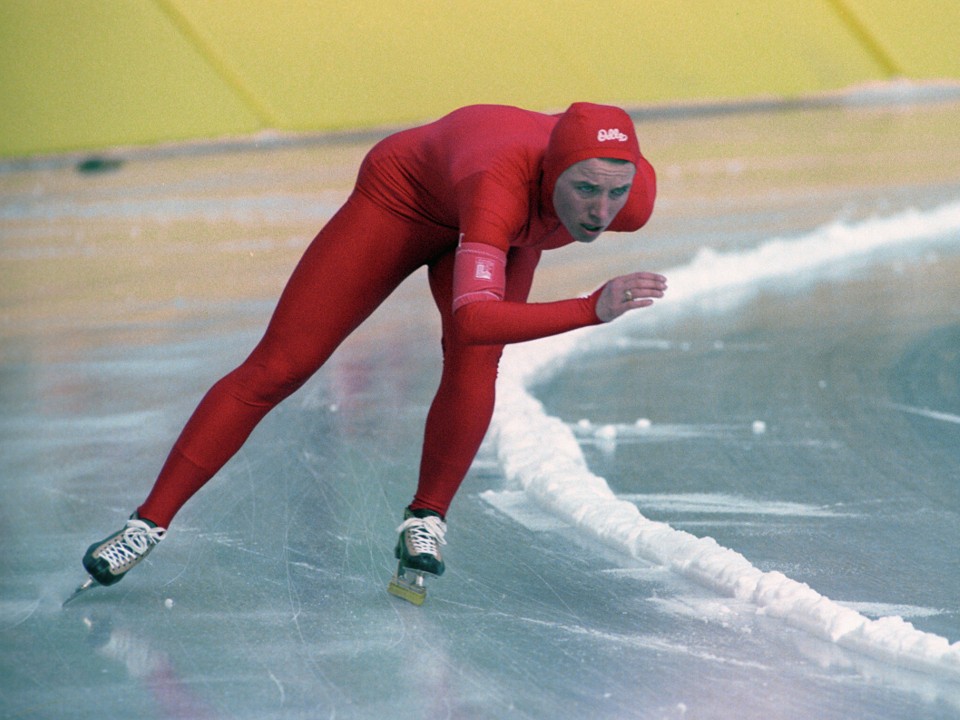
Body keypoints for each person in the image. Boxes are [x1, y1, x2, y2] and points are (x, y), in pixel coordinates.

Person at [79, 101, 667, 593]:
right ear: (550, 176)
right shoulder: (499, 185)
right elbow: (475, 318)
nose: (600, 211)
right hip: (407, 199)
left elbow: (481, 331)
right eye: (585, 189)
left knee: (477, 366)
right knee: (279, 368)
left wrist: (598, 206)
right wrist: (591, 308)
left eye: (615, 192)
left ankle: (427, 518)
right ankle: (146, 524)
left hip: (507, 230)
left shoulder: (630, 201)